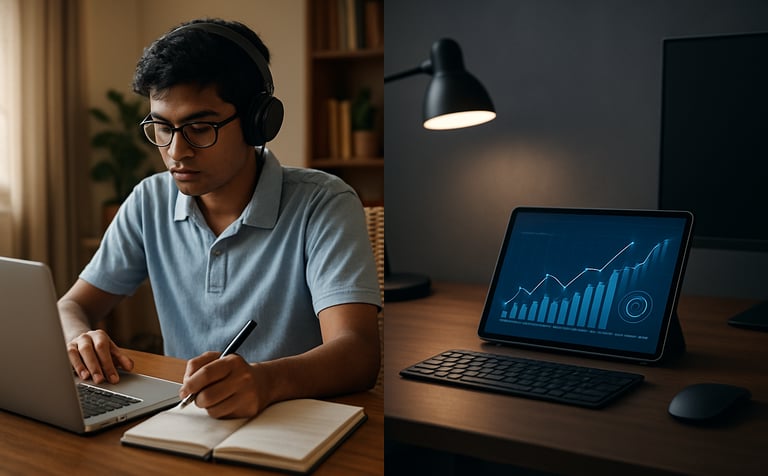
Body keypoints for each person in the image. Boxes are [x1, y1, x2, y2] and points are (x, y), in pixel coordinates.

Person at [58, 18, 381, 419]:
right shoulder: (149, 200)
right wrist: (80, 338)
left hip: (298, 421)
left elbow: (359, 352)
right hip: (186, 419)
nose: (176, 152)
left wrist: (267, 381)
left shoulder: (324, 202)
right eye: (162, 127)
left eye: (199, 127)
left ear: (257, 121)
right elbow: (71, 305)